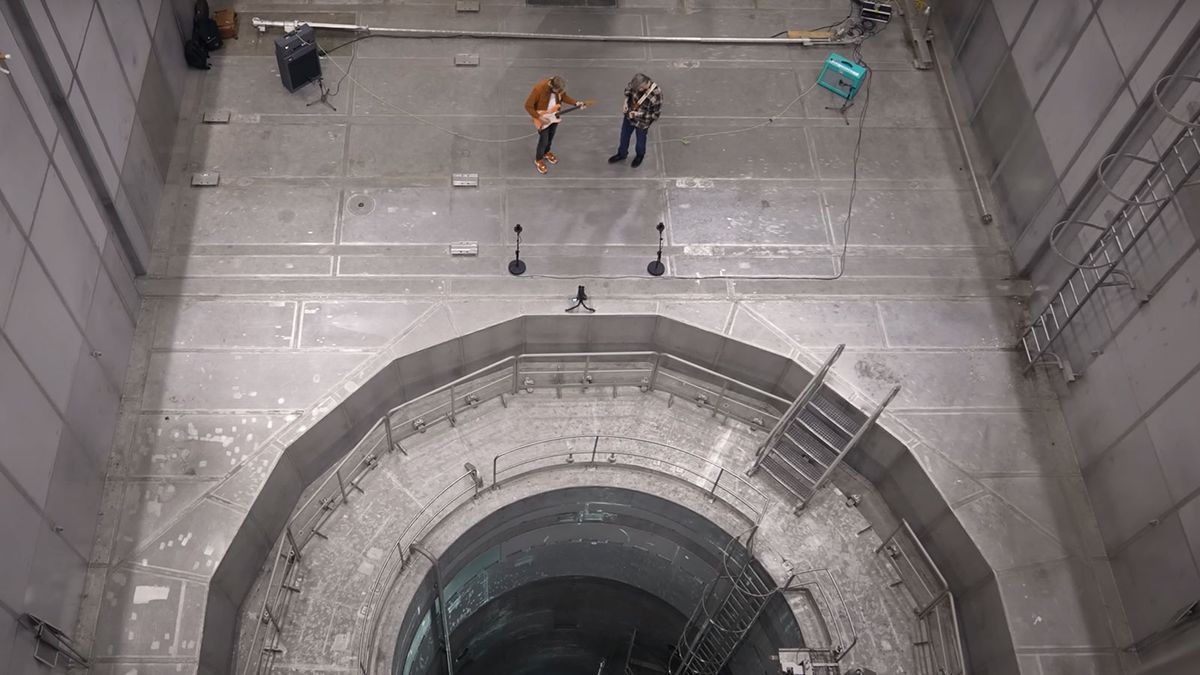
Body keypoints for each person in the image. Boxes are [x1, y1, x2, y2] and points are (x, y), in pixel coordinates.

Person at [524, 75, 588, 175]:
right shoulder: (539, 89)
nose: (560, 93)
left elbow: (564, 97)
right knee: (543, 140)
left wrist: (576, 103)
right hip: (543, 118)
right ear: (552, 87)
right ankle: (538, 159)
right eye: (558, 92)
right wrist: (539, 117)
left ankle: (546, 152)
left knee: (550, 137)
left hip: (554, 116)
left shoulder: (558, 90)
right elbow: (528, 106)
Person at [609, 73, 661, 168]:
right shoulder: (635, 84)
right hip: (629, 116)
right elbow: (628, 91)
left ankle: (639, 156)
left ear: (645, 84)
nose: (637, 90)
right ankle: (622, 154)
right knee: (624, 136)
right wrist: (625, 103)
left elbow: (655, 115)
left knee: (640, 141)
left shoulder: (656, 94)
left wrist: (638, 114)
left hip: (642, 122)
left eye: (640, 89)